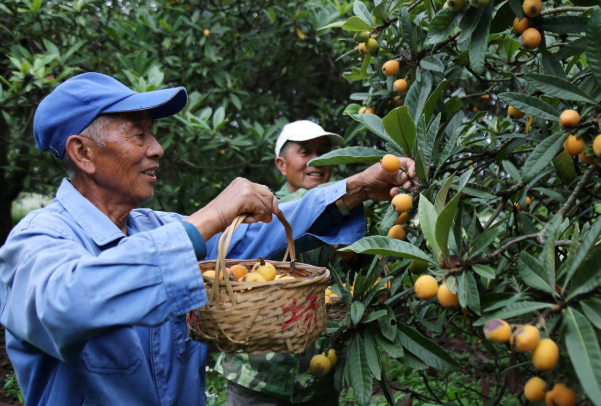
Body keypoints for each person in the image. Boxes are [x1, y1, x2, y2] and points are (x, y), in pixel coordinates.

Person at [0, 72, 415, 406]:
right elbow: (63, 302)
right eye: (138, 134)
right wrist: (211, 215)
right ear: (83, 153)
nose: (157, 148)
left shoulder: (152, 227)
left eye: (153, 134)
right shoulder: (37, 240)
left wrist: (357, 187)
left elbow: (255, 238)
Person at [217, 120, 347, 406]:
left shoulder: (345, 216)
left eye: (324, 152)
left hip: (318, 375)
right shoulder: (256, 212)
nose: (317, 160)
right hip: (258, 374)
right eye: (305, 151)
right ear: (281, 164)